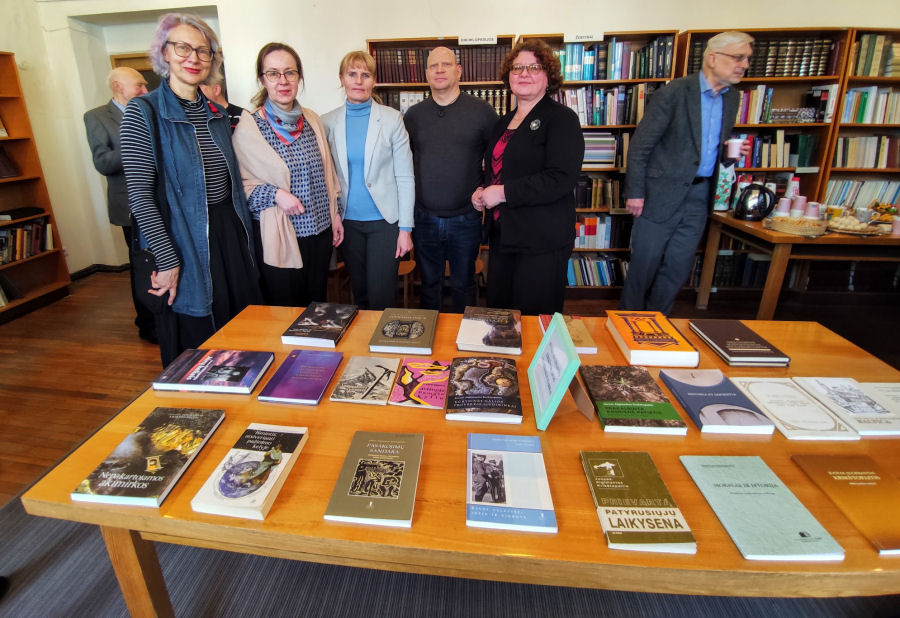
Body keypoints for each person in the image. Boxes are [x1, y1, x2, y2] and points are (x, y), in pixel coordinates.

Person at [121, 13, 261, 367]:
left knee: (242, 334)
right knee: (198, 346)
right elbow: (140, 196)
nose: (193, 57)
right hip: (182, 239)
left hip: (229, 234)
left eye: (203, 50)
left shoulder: (217, 113)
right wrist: (167, 259)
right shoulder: (142, 112)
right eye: (183, 47)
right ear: (164, 53)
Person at [620, 31, 753, 314]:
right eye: (738, 57)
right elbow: (641, 146)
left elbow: (705, 147)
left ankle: (657, 323)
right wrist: (635, 193)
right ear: (712, 58)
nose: (744, 65)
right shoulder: (673, 93)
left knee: (678, 267)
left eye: (746, 59)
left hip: (700, 195)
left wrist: (728, 152)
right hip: (659, 195)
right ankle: (627, 321)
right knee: (644, 266)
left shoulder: (732, 98)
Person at [472, 39, 583, 316]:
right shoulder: (503, 122)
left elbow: (560, 179)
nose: (524, 73)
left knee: (533, 319)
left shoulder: (562, 119)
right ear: (508, 75)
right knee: (501, 318)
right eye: (517, 67)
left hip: (541, 240)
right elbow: (499, 168)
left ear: (548, 76)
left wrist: (502, 193)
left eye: (534, 67)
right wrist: (482, 190)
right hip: (504, 236)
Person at [232, 42, 341, 307]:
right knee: (286, 311)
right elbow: (239, 188)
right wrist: (276, 194)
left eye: (290, 72)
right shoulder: (249, 127)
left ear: (299, 77)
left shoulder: (312, 119)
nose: (283, 81)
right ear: (262, 80)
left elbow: (327, 174)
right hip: (281, 237)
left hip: (320, 232)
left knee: (316, 308)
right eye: (273, 73)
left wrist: (335, 213)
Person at [403, 46, 496, 313]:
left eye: (446, 64)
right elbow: (403, 164)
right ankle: (429, 335)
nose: (440, 70)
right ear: (426, 74)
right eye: (434, 66)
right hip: (424, 217)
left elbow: (497, 159)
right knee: (429, 285)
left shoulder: (482, 112)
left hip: (466, 218)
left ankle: (463, 336)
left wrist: (485, 187)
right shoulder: (413, 116)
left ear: (459, 71)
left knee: (464, 285)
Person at [322, 50, 414, 311]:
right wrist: (333, 216)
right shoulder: (326, 122)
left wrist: (405, 229)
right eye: (352, 74)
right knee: (360, 297)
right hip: (348, 224)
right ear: (342, 79)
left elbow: (405, 177)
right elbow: (327, 177)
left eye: (365, 75)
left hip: (385, 223)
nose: (359, 80)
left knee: (381, 298)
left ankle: (384, 339)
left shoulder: (392, 119)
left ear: (374, 80)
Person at [83, 67, 156, 343]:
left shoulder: (149, 112)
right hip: (130, 206)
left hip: (159, 200)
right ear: (117, 86)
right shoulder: (97, 117)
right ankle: (147, 324)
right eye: (139, 85)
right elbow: (103, 162)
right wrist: (137, 145)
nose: (145, 91)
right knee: (143, 265)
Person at [198, 65, 244, 134]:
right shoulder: (198, 118)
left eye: (198, 88)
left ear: (216, 90)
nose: (196, 92)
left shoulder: (242, 117)